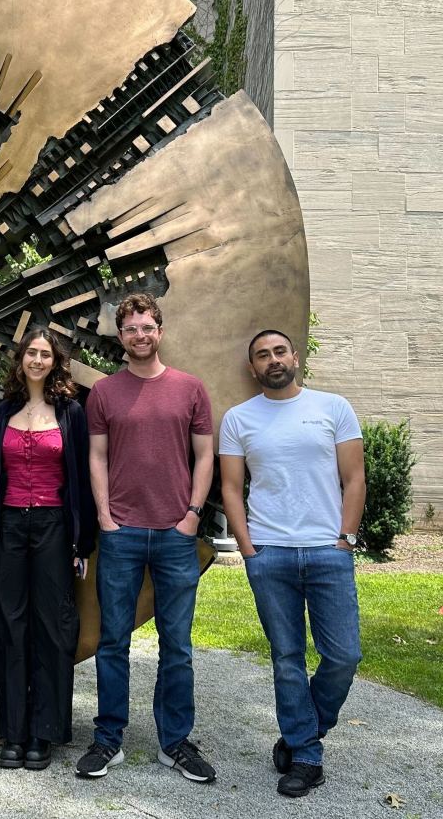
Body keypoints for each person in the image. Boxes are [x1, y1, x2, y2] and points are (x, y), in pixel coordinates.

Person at [220, 329, 365, 798]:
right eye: (262, 355)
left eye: (279, 351)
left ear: (295, 357)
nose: (273, 360)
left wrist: (346, 538)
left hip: (328, 551)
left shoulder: (333, 407)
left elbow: (354, 476)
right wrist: (247, 549)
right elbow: (230, 488)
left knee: (344, 655)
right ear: (253, 368)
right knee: (286, 658)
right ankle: (305, 754)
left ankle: (305, 728)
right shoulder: (238, 419)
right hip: (269, 552)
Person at [79, 293, 216, 784]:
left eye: (147, 327)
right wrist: (104, 516)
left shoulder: (190, 389)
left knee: (176, 644)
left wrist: (193, 514)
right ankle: (108, 739)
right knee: (113, 640)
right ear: (122, 337)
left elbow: (205, 456)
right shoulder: (104, 393)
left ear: (160, 331)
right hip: (121, 532)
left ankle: (175, 742)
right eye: (131, 329)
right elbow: (96, 456)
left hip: (176, 533)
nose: (140, 335)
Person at [0, 327, 96, 772]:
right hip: (9, 526)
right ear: (20, 359)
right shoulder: (3, 412)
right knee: (9, 624)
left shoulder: (71, 413)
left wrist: (82, 541)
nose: (36, 360)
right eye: (30, 352)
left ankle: (43, 731)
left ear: (55, 361)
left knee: (52, 626)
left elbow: (82, 480)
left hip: (53, 525)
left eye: (44, 353)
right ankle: (12, 730)